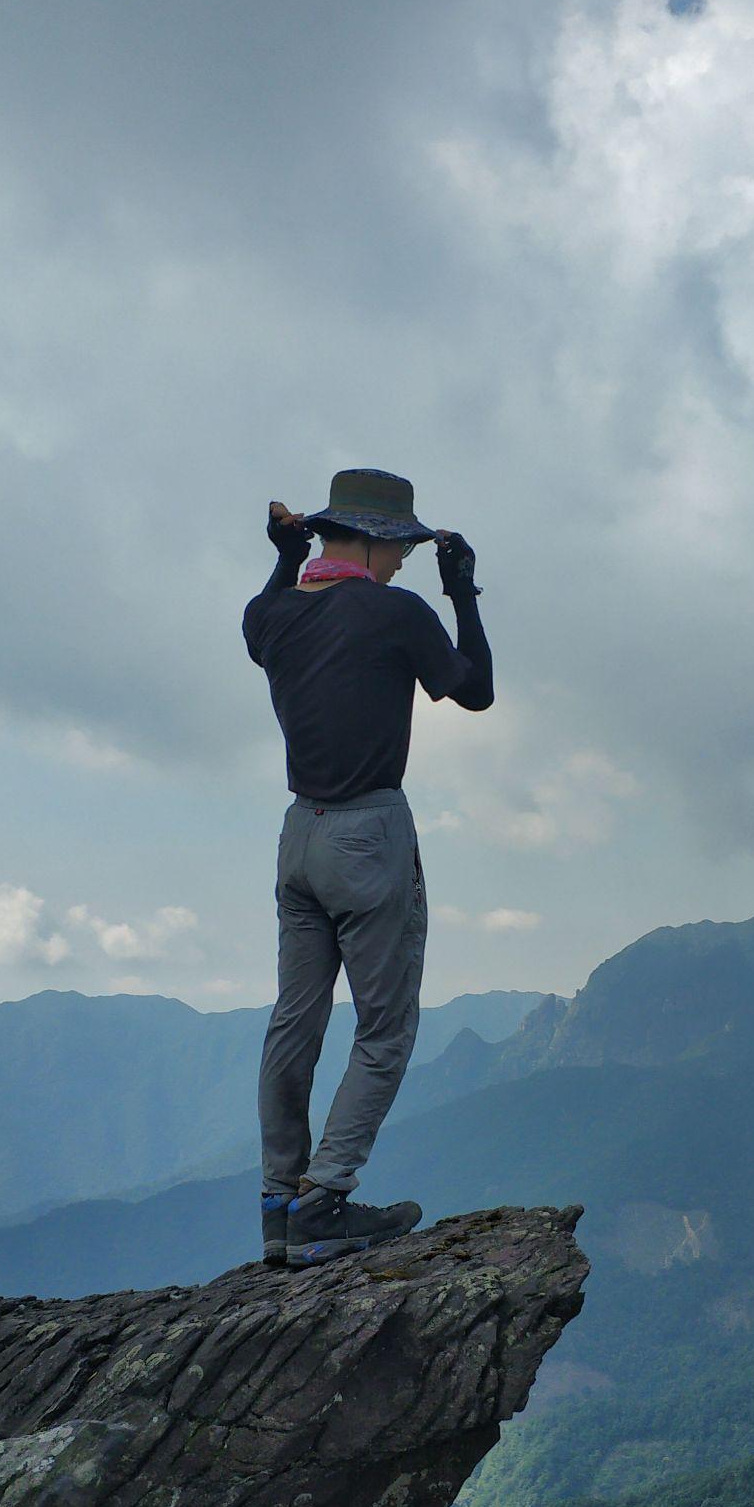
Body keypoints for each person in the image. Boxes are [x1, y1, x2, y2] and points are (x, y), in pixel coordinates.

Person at [243, 466, 494, 1269]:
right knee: (384, 1027)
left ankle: (280, 1201)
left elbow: (268, 608)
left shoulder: (272, 614)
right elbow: (476, 691)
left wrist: (286, 557)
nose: (403, 564)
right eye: (401, 550)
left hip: (298, 837)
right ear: (380, 539)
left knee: (296, 1018)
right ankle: (326, 1200)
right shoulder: (396, 613)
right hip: (367, 834)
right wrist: (464, 592)